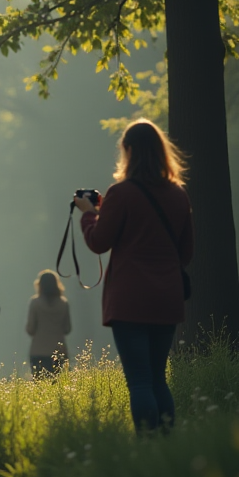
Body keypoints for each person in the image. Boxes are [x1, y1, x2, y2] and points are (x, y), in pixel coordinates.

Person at [75, 118, 193, 434]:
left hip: (130, 301)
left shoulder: (121, 193)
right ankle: (167, 444)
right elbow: (187, 253)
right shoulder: (179, 195)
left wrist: (89, 214)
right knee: (157, 377)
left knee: (139, 381)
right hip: (167, 299)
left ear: (128, 151)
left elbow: (99, 242)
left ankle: (147, 446)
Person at [25, 270, 72, 378]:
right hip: (59, 351)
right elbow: (67, 329)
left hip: (38, 351)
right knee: (57, 385)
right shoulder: (63, 303)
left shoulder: (35, 303)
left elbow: (30, 329)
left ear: (39, 285)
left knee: (40, 385)